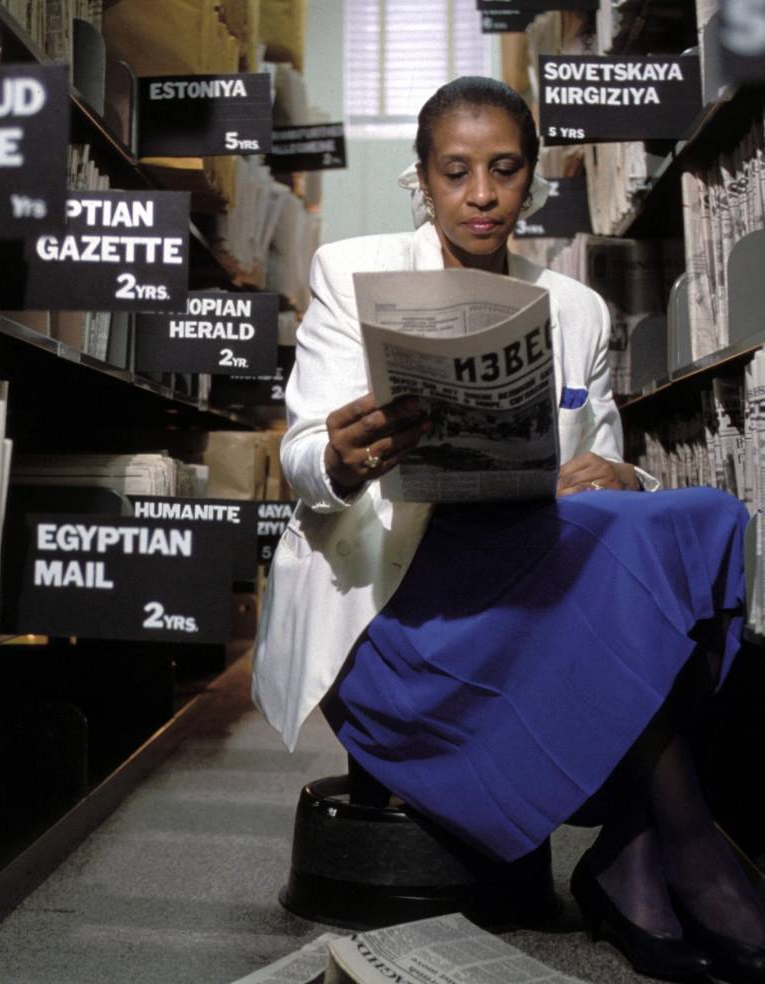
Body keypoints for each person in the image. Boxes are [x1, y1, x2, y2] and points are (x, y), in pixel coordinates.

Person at [252, 75, 765, 982]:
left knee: (703, 516)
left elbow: (606, 465)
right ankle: (679, 854)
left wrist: (622, 472)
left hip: (535, 568)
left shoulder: (575, 308)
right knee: (611, 563)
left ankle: (647, 855)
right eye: (456, 173)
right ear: (424, 178)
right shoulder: (352, 271)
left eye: (504, 170)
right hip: (400, 597)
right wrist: (339, 456)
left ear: (529, 176)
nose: (482, 196)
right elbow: (301, 461)